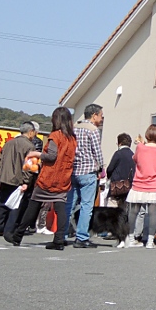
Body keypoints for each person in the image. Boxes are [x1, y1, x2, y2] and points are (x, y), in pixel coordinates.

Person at [8, 106, 77, 249]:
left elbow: (51, 156)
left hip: (49, 177)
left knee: (33, 205)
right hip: (64, 177)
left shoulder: (55, 136)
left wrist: (36, 154)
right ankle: (59, 240)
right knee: (61, 209)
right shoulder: (72, 138)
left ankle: (18, 235)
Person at [64, 103, 104, 248]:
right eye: (101, 116)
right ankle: (81, 237)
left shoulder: (74, 128)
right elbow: (97, 152)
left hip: (73, 171)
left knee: (69, 204)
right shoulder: (93, 130)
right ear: (94, 115)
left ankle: (62, 234)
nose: (101, 119)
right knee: (86, 206)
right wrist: (101, 167)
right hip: (88, 171)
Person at [125, 125, 156, 249]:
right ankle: (150, 242)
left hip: (138, 184)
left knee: (133, 212)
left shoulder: (140, 148)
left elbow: (135, 159)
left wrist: (142, 144)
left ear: (147, 135)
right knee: (152, 214)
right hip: (154, 185)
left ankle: (130, 239)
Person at [0, 122, 39, 237]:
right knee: (16, 205)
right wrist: (26, 181)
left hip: (5, 177)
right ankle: (10, 230)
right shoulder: (30, 147)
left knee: (2, 203)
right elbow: (29, 167)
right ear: (30, 132)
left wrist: (1, 173)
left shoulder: (9, 143)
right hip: (19, 180)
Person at [105, 132, 135, 212]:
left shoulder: (118, 153)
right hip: (128, 187)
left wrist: (109, 177)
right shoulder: (133, 155)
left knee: (112, 209)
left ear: (119, 143)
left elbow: (110, 169)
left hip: (116, 186)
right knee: (123, 211)